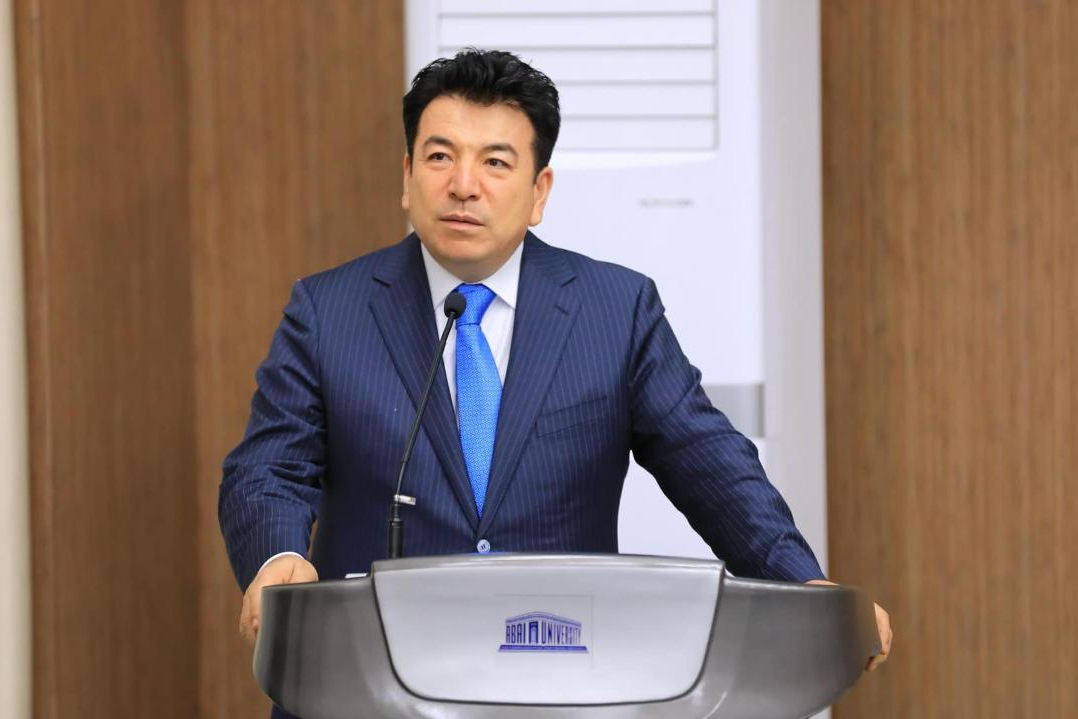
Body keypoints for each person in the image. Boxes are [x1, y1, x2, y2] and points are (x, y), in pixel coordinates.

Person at [219, 49, 891, 716]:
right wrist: (277, 558)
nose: (463, 185)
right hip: (368, 693)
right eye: (440, 156)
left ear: (539, 192)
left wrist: (802, 584)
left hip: (560, 689)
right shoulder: (328, 311)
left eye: (496, 162)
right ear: (407, 175)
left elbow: (708, 460)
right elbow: (267, 467)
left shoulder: (615, 311)